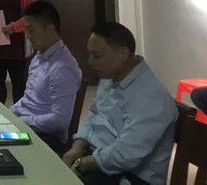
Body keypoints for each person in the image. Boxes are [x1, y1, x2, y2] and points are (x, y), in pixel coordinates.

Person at [63, 22, 177, 185]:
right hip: (97, 158)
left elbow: (125, 155)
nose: (90, 62)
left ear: (123, 54)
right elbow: (94, 114)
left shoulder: (151, 97)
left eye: (96, 56)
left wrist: (82, 164)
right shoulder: (110, 76)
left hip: (129, 175)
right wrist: (78, 146)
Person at [9, 0, 81, 151]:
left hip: (46, 138)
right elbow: (28, 99)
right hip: (27, 129)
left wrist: (23, 121)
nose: (28, 36)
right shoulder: (39, 57)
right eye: (26, 31)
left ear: (50, 30)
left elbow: (59, 121)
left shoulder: (62, 69)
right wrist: (9, 114)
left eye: (31, 30)